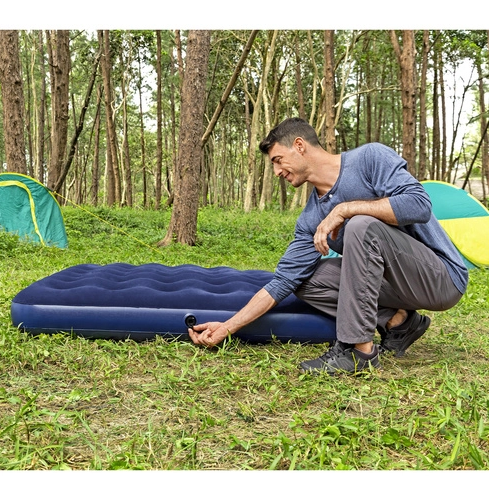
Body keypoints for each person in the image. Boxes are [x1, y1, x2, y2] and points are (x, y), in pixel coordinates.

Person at [188, 117, 468, 375]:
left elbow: (419, 204)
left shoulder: (370, 158)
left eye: (278, 160)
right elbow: (282, 281)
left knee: (360, 224)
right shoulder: (311, 217)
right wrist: (227, 327)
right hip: (396, 287)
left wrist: (346, 209)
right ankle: (398, 321)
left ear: (299, 146)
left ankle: (360, 352)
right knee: (305, 280)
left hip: (440, 278)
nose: (276, 171)